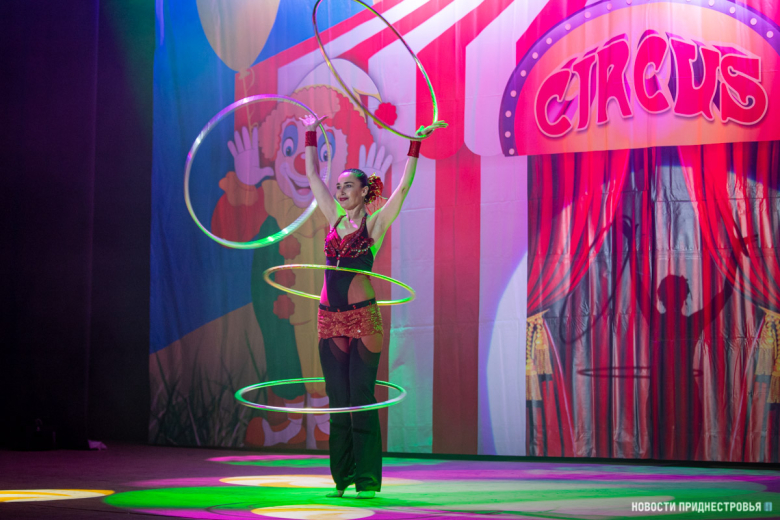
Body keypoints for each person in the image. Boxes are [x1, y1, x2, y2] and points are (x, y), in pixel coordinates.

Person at [303, 114, 443, 498]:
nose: (340, 190)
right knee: (338, 401)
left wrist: (415, 144)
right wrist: (310, 133)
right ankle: (342, 479)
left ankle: (366, 480)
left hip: (363, 319)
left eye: (347, 185)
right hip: (330, 320)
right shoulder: (333, 219)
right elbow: (313, 176)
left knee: (360, 399)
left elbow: (403, 187)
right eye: (338, 186)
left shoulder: (375, 225)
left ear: (365, 191)